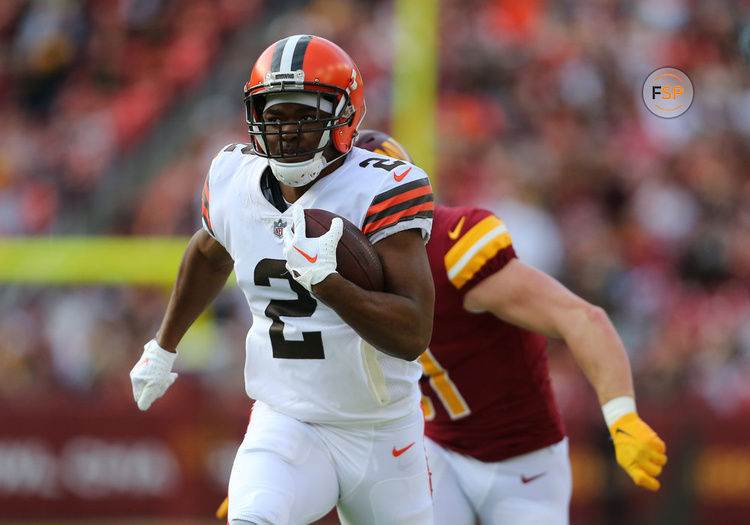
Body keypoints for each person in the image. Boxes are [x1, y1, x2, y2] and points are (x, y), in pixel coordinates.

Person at [129, 36, 436, 525]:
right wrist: (163, 345)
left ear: (343, 115)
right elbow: (209, 251)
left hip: (383, 433)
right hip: (286, 418)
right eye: (273, 115)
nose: (286, 130)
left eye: (303, 113)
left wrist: (330, 284)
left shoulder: (383, 187)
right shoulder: (233, 179)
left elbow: (413, 333)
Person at [355, 130, 667, 525]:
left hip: (524, 462)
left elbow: (581, 317)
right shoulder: (341, 266)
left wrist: (622, 416)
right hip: (438, 446)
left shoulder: (453, 252)